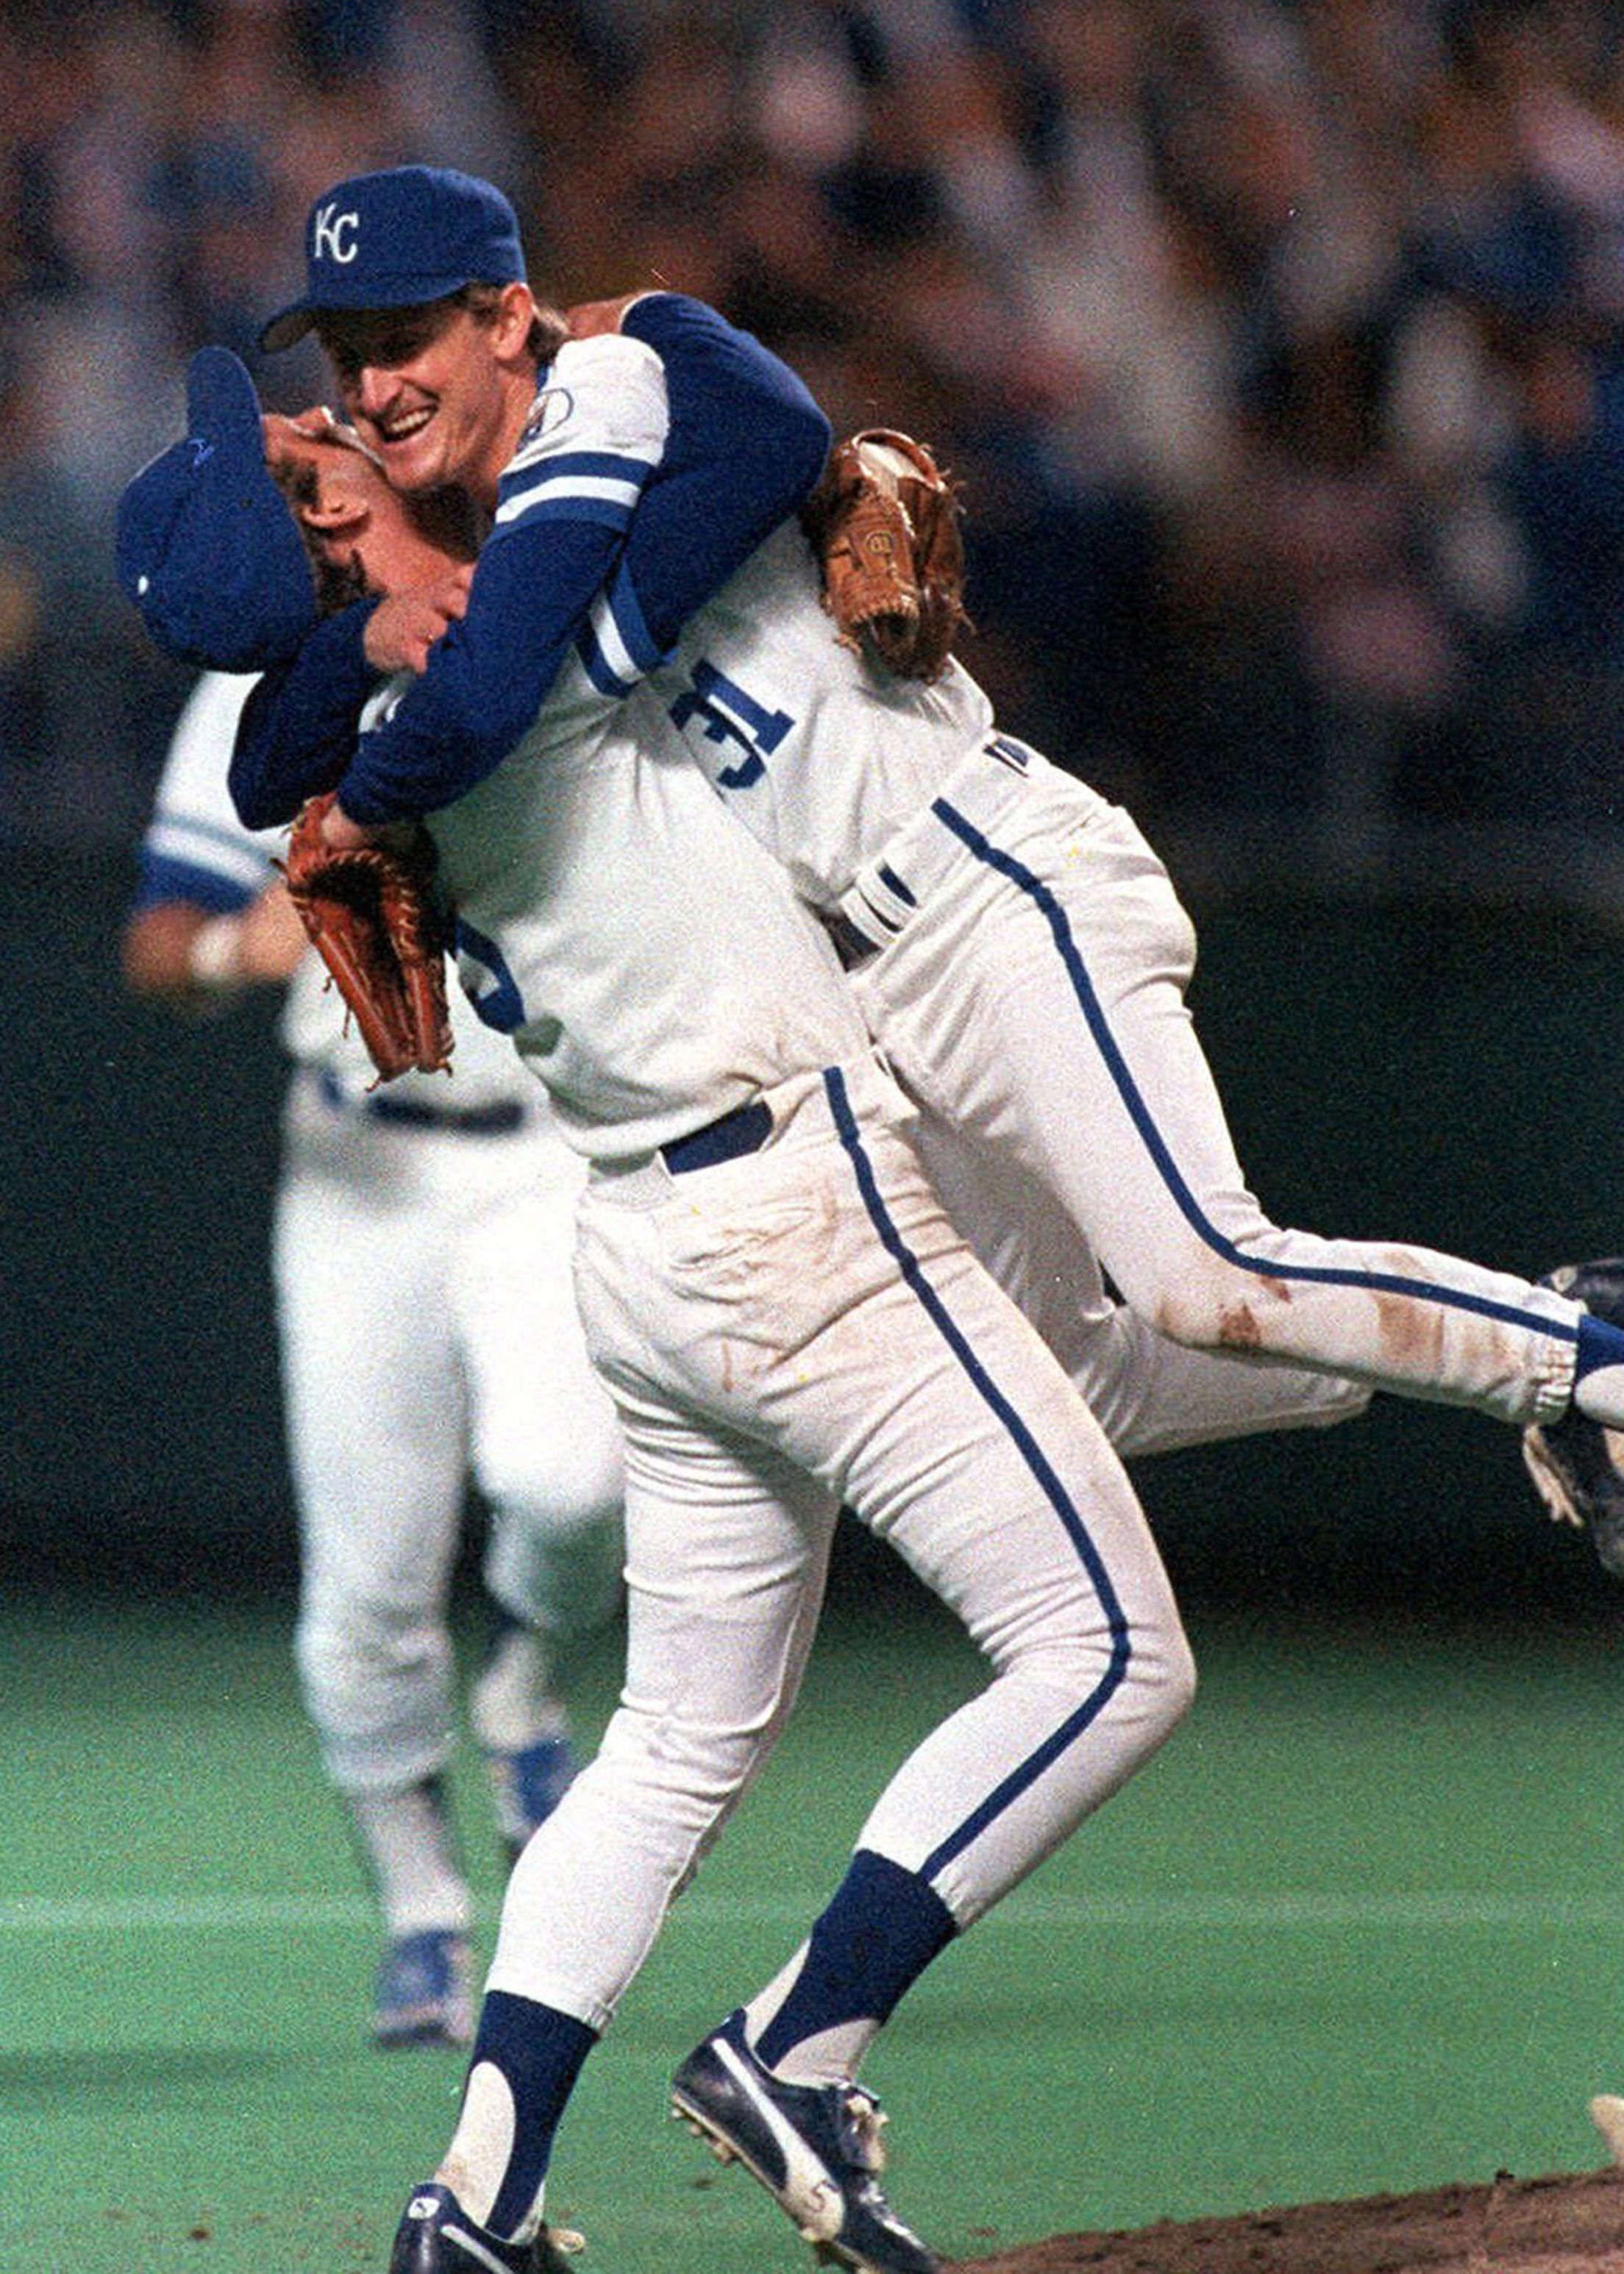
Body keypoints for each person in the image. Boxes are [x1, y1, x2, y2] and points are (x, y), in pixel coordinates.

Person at [121, 208, 1201, 2274]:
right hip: (786, 1196)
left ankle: (477, 2195)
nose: (329, 416)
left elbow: (291, 740)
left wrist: (342, 638)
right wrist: (626, 343)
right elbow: (715, 444)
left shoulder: (349, 707)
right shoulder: (497, 657)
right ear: (338, 542)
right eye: (300, 459)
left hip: (635, 1248)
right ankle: (798, 2038)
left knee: (667, 1740)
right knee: (1108, 1651)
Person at [250, 165, 1624, 1543]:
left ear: (502, 316)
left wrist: (629, 380)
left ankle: (1594, 1364)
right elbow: (271, 749)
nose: (371, 391)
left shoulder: (629, 396)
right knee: (1082, 1375)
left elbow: (777, 428)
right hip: (867, 996)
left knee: (1206, 1269)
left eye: (401, 342)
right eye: (348, 361)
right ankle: (1527, 1344)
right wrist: (389, 637)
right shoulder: (466, 576)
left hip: (981, 878)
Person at [119, 383, 627, 2054]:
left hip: (538, 1145)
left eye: (339, 467)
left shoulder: (517, 607)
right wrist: (229, 951)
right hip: (358, 1170)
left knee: (568, 1487)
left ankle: (528, 1677)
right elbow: (159, 939)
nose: (330, 499)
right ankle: (422, 1906)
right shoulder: (266, 685)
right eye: (306, 483)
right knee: (363, 1589)